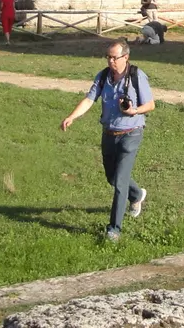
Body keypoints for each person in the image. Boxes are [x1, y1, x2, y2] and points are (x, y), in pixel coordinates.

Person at [60, 40, 154, 242]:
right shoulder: (103, 77)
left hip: (131, 132)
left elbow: (150, 104)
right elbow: (89, 99)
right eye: (108, 57)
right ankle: (137, 195)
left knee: (120, 183)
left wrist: (134, 110)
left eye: (114, 57)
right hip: (109, 133)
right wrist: (72, 116)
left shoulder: (137, 76)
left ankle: (114, 230)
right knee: (112, 178)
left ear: (125, 57)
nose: (111, 61)